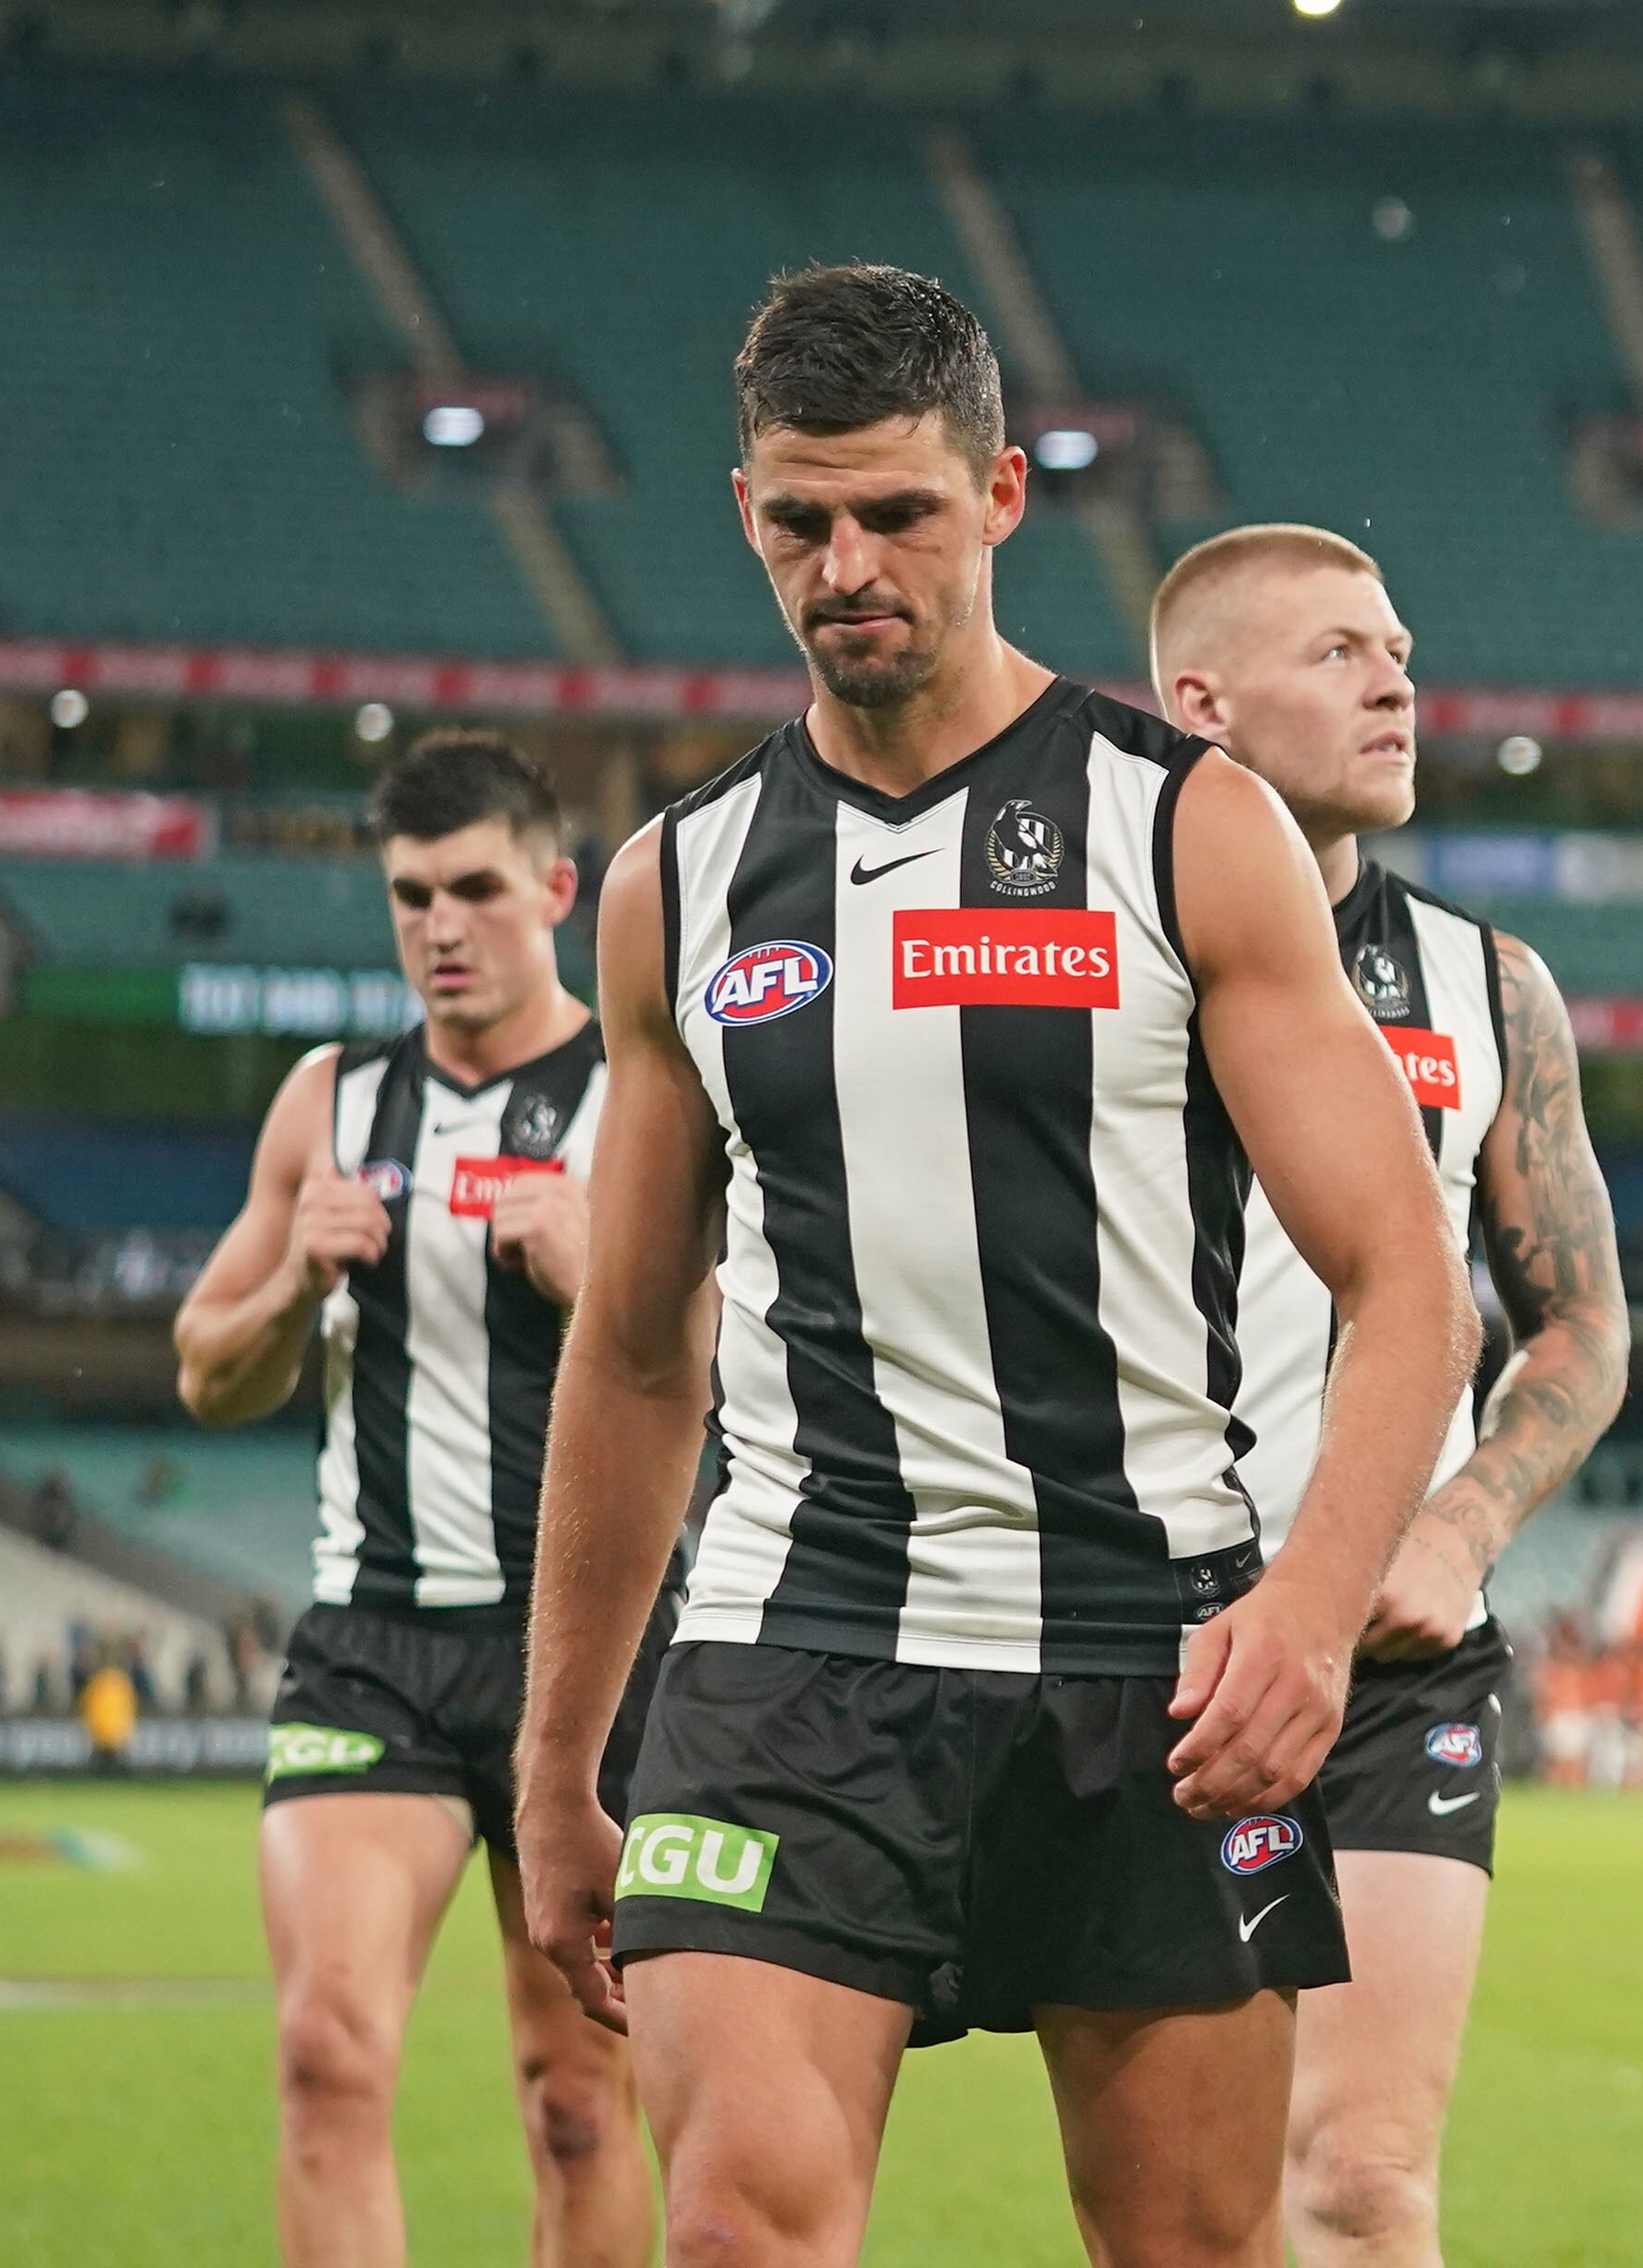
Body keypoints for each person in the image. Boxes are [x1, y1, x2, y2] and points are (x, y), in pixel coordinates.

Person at [508, 266, 1476, 2268]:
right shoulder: (674, 886)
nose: (847, 563)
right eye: (800, 519)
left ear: (1003, 498)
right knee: (734, 2232)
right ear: (746, 514)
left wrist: (1304, 1611)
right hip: (795, 1653)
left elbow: (1404, 1276)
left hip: (1155, 1664)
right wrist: (550, 1757)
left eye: (899, 514)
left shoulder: (1189, 826)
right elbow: (628, 1352)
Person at [1150, 520, 1629, 2268]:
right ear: (1201, 702)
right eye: (1341, 648)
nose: (1396, 677)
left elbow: (1578, 1328)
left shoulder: (1493, 985)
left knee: (1358, 2179)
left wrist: (1461, 1518)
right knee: (1195, 2209)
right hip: (1144, 1635)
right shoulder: (1098, 953)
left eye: (1400, 645)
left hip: (1394, 1660)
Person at [173, 729, 657, 2268]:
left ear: (556, 889)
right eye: (409, 898)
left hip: (586, 1649)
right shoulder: (332, 1097)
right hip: (372, 1640)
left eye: (474, 889)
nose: (441, 927)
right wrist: (292, 1281)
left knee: (578, 2092)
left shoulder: (644, 1100)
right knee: (326, 2049)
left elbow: (756, 1378)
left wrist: (605, 1286)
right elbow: (206, 1372)